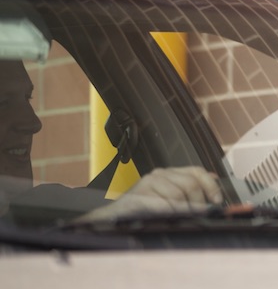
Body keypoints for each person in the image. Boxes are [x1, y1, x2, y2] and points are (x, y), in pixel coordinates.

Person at [0, 58, 222, 225]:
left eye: (27, 98)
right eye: (3, 102)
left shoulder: (43, 207)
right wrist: (108, 219)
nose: (33, 123)